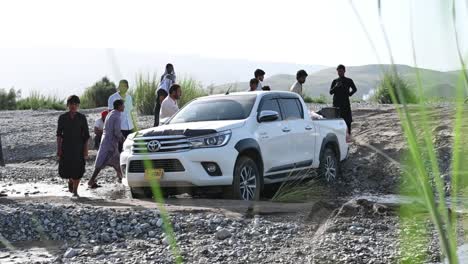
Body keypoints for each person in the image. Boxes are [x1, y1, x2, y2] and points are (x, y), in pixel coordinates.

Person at [56, 95, 90, 198]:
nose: (73, 106)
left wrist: (86, 150)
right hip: (66, 147)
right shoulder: (62, 118)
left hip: (78, 148)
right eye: (71, 104)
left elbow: (86, 136)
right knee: (65, 170)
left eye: (76, 104)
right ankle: (70, 179)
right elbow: (58, 135)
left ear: (78, 106)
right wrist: (59, 149)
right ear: (67, 105)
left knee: (79, 169)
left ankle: (75, 191)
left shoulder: (82, 118)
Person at [88, 100, 126, 188]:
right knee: (102, 161)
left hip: (106, 140)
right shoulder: (117, 116)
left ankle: (121, 177)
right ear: (119, 106)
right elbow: (116, 131)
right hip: (110, 142)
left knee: (116, 161)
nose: (124, 107)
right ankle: (91, 180)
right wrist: (122, 138)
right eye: (123, 105)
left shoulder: (111, 113)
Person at [107, 80, 135, 152]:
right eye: (122, 86)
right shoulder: (112, 98)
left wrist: (134, 126)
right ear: (119, 87)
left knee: (130, 147)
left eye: (125, 86)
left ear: (127, 87)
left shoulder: (129, 97)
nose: (123, 88)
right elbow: (110, 114)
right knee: (120, 148)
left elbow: (131, 112)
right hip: (120, 127)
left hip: (130, 126)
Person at [330, 64, 357, 135]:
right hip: (336, 105)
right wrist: (336, 86)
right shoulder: (335, 81)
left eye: (341, 71)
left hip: (345, 104)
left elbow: (354, 89)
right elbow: (330, 92)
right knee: (336, 121)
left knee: (347, 121)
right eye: (338, 71)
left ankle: (348, 136)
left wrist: (349, 94)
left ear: (344, 71)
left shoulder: (349, 80)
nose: (340, 73)